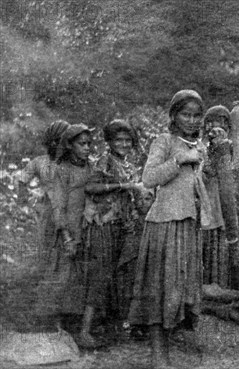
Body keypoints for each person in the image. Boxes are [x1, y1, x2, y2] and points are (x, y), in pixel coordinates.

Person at [128, 90, 207, 369]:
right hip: (164, 224)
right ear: (174, 115)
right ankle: (158, 359)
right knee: (160, 290)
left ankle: (166, 356)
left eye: (197, 115)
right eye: (186, 114)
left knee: (178, 292)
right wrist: (180, 160)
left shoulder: (199, 146)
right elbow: (148, 178)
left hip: (187, 225)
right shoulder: (164, 141)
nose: (192, 120)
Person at [83, 119, 146, 334]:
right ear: (109, 141)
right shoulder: (103, 162)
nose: (124, 144)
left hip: (126, 224)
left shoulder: (130, 165)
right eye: (119, 140)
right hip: (105, 223)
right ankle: (85, 331)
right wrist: (123, 186)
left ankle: (118, 326)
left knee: (124, 275)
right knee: (101, 274)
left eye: (128, 140)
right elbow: (90, 187)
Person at [39, 124, 99, 346]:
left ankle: (78, 329)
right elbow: (58, 206)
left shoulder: (90, 167)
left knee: (80, 279)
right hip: (67, 230)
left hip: (86, 229)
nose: (87, 148)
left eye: (89, 144)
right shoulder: (61, 170)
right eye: (82, 144)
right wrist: (66, 236)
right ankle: (56, 329)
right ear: (70, 145)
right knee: (61, 276)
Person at [18, 120, 70, 263]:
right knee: (48, 244)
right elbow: (22, 180)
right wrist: (26, 202)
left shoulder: (73, 162)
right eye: (56, 142)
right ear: (50, 143)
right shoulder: (39, 162)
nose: (59, 146)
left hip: (70, 208)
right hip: (48, 210)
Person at [201, 105, 229, 287]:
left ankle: (218, 286)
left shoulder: (228, 147)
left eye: (225, 123)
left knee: (218, 248)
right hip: (206, 204)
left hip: (220, 206)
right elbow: (207, 172)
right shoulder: (203, 147)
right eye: (218, 121)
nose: (220, 127)